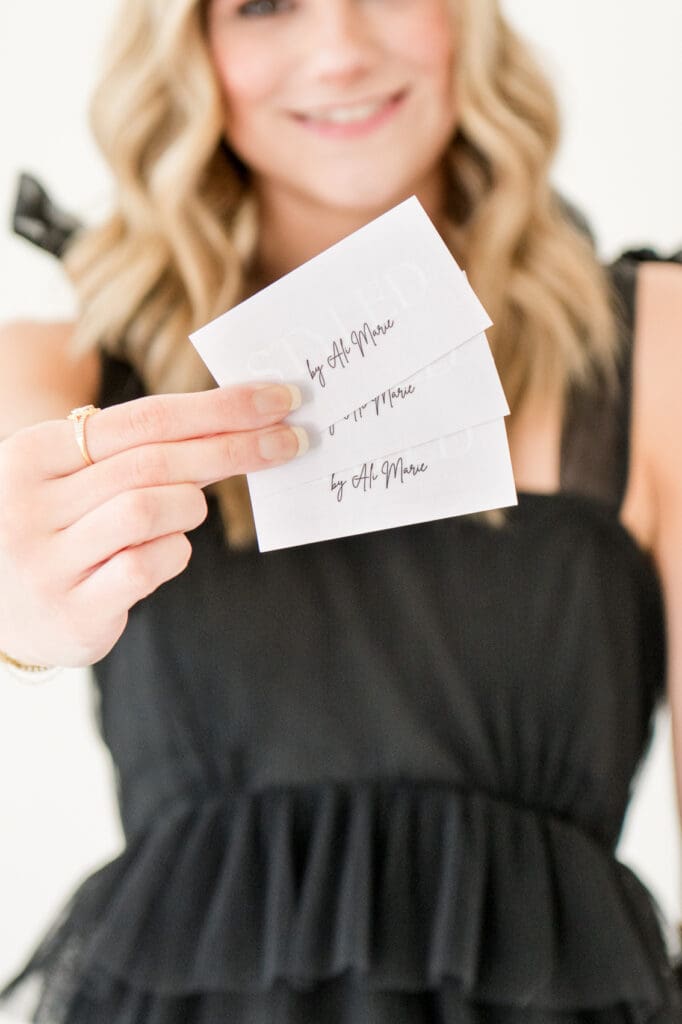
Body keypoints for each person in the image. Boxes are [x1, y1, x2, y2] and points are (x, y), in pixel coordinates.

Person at [0, 0, 681, 1021]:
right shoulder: (51, 379)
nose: (338, 48)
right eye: (263, 3)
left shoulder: (657, 349)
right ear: (190, 48)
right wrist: (14, 626)